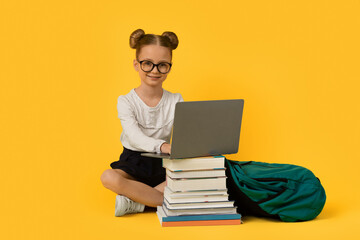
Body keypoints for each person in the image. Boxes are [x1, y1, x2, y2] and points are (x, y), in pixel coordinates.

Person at [100, 29, 183, 216]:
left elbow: (184, 134)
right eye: (148, 64)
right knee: (108, 177)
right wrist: (162, 145)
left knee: (197, 172)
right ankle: (165, 201)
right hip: (134, 161)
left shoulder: (176, 100)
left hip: (164, 163)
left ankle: (139, 202)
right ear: (136, 65)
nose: (155, 70)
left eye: (162, 65)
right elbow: (134, 136)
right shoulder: (126, 101)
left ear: (170, 66)